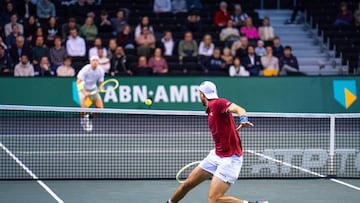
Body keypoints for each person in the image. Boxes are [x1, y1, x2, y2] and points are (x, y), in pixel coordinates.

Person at [167, 80, 256, 203]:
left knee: (214, 200)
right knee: (187, 184)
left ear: (202, 95)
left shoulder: (218, 103)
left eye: (199, 93)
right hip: (216, 155)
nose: (199, 96)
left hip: (230, 159)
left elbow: (239, 108)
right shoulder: (210, 109)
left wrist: (243, 118)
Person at [76, 55, 105, 132]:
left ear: (98, 62)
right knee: (84, 108)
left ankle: (89, 118)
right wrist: (84, 92)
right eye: (93, 60)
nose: (95, 62)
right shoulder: (85, 69)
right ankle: (83, 118)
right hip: (83, 88)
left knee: (100, 108)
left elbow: (101, 82)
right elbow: (78, 82)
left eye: (96, 60)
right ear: (90, 61)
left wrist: (101, 88)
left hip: (93, 88)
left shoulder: (101, 71)